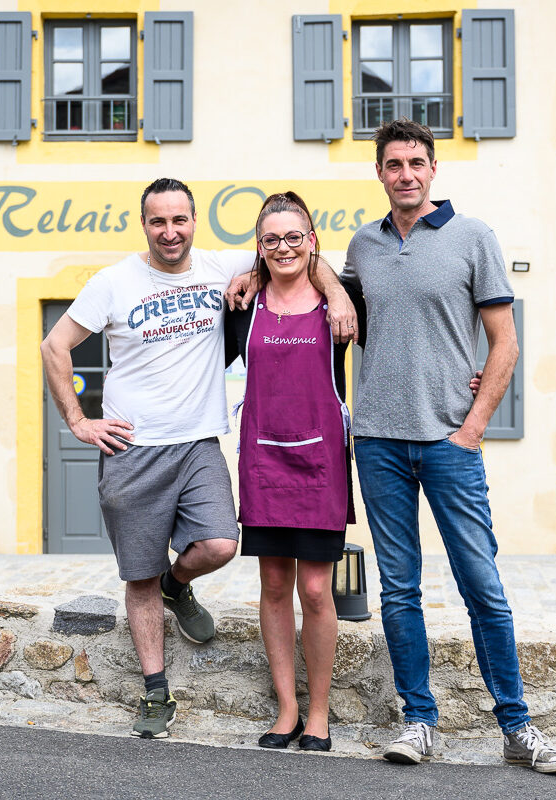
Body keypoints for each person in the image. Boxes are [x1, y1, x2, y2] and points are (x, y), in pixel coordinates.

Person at [40, 178, 356, 740]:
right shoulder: (113, 282)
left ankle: (177, 582)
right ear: (145, 225)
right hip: (132, 450)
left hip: (199, 443)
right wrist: (79, 421)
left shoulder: (220, 268)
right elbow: (54, 345)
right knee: (138, 577)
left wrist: (334, 289)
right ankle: (156, 693)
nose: (170, 232)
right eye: (158, 222)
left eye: (179, 220)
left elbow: (298, 251)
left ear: (194, 220)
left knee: (219, 544)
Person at [339, 119, 556, 773]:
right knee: (398, 589)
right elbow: (331, 300)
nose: (406, 174)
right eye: (393, 164)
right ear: (380, 173)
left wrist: (472, 427)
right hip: (380, 440)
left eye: (416, 162)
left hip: (449, 441)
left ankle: (517, 726)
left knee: (482, 585)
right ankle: (419, 722)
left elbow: (505, 342)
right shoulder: (362, 246)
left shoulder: (475, 238)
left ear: (433, 168)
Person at [224, 193, 355, 753]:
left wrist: (337, 286)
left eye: (294, 237)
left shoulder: (342, 307)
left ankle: (320, 712)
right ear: (259, 246)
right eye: (271, 239)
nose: (283, 247)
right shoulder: (241, 307)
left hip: (320, 461)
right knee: (274, 585)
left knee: (317, 589)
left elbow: (409, 340)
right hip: (263, 459)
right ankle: (286, 709)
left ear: (312, 241)